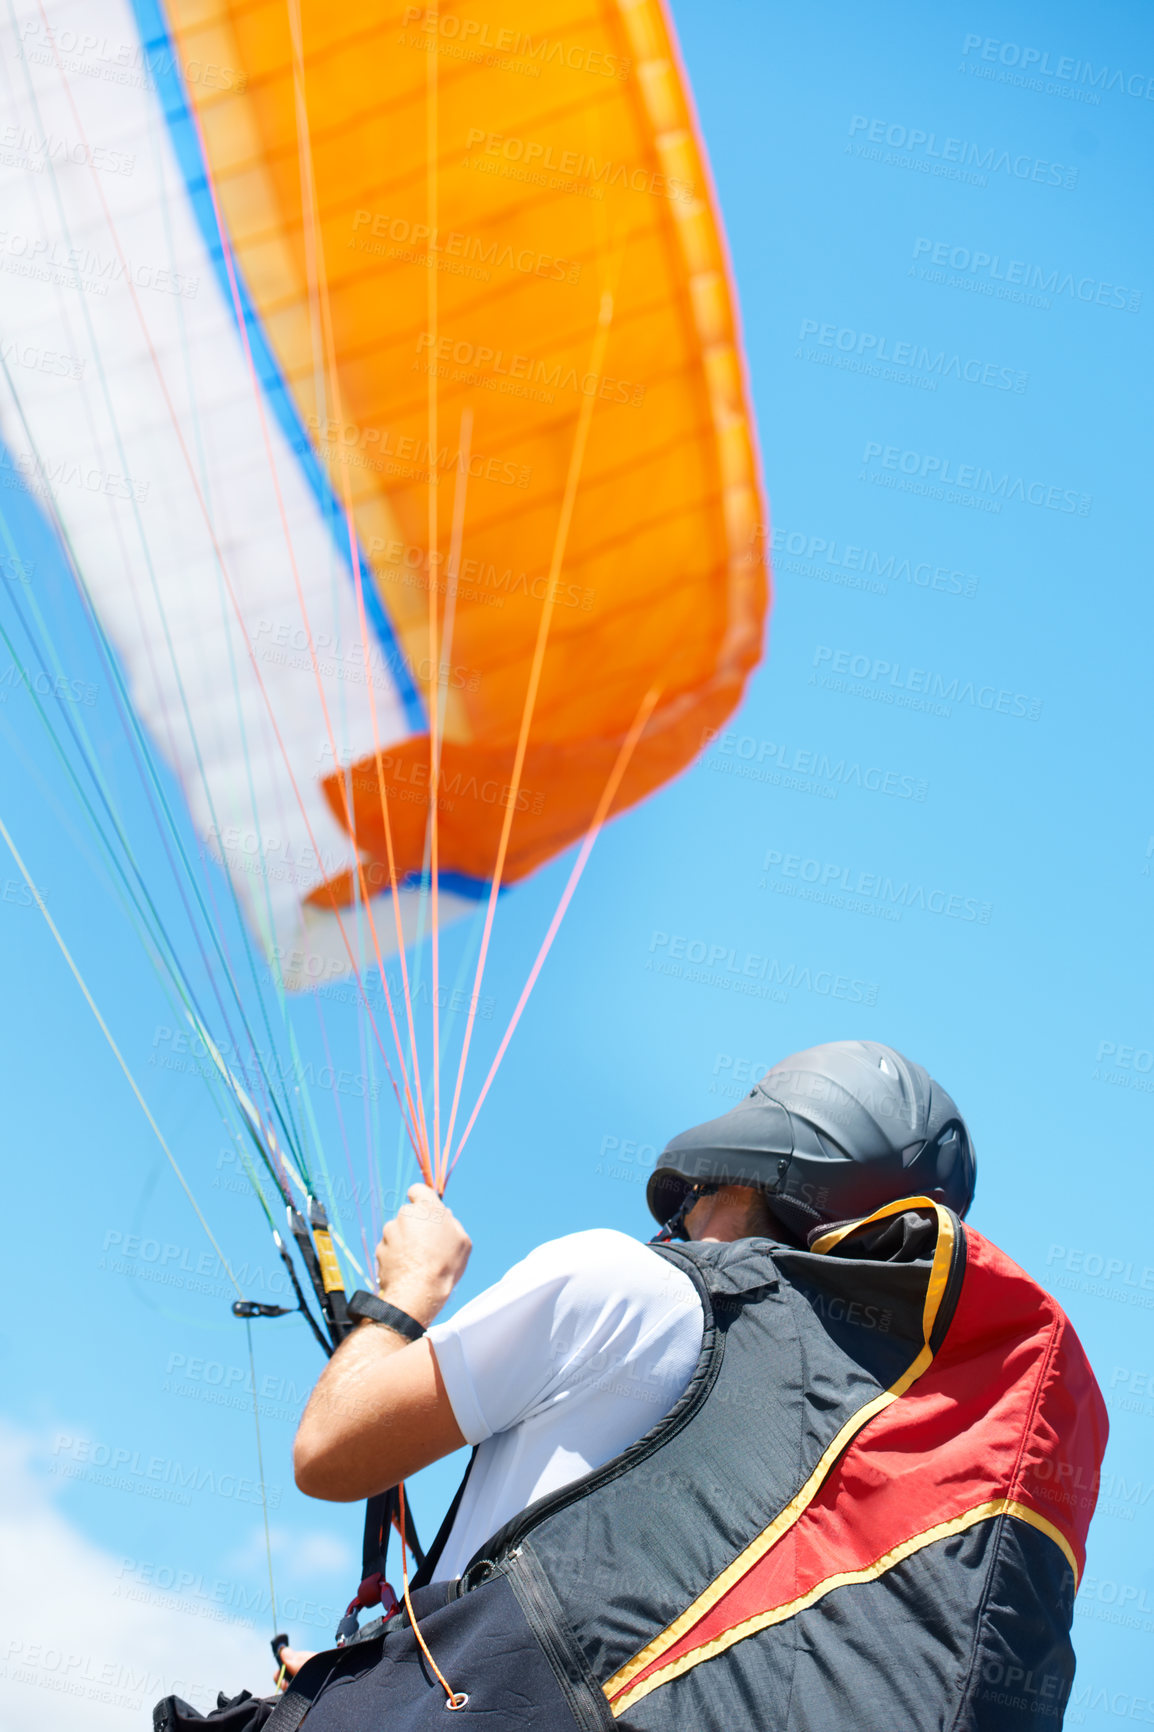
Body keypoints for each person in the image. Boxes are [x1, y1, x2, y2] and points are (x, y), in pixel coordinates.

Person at [157, 1040, 1108, 1731]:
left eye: (695, 1191)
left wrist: (404, 1297)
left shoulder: (625, 1283)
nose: (677, 1216)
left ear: (753, 1174)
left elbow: (330, 1450)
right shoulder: (844, 1422)